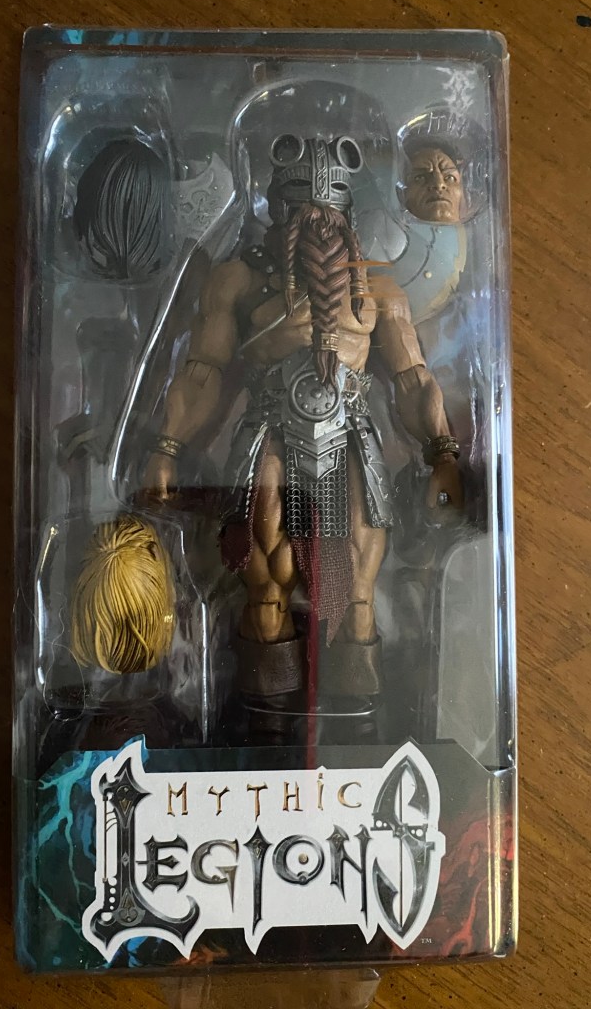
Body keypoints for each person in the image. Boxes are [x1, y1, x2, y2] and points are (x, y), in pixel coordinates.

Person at [141, 133, 463, 743]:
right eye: (300, 206)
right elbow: (203, 370)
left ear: (347, 211)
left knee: (356, 594)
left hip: (352, 437)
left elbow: (413, 377)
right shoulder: (239, 280)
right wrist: (168, 448)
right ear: (276, 207)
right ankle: (265, 735)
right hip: (269, 433)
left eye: (327, 208)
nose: (315, 217)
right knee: (265, 586)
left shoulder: (378, 289)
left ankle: (358, 739)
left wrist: (442, 453)